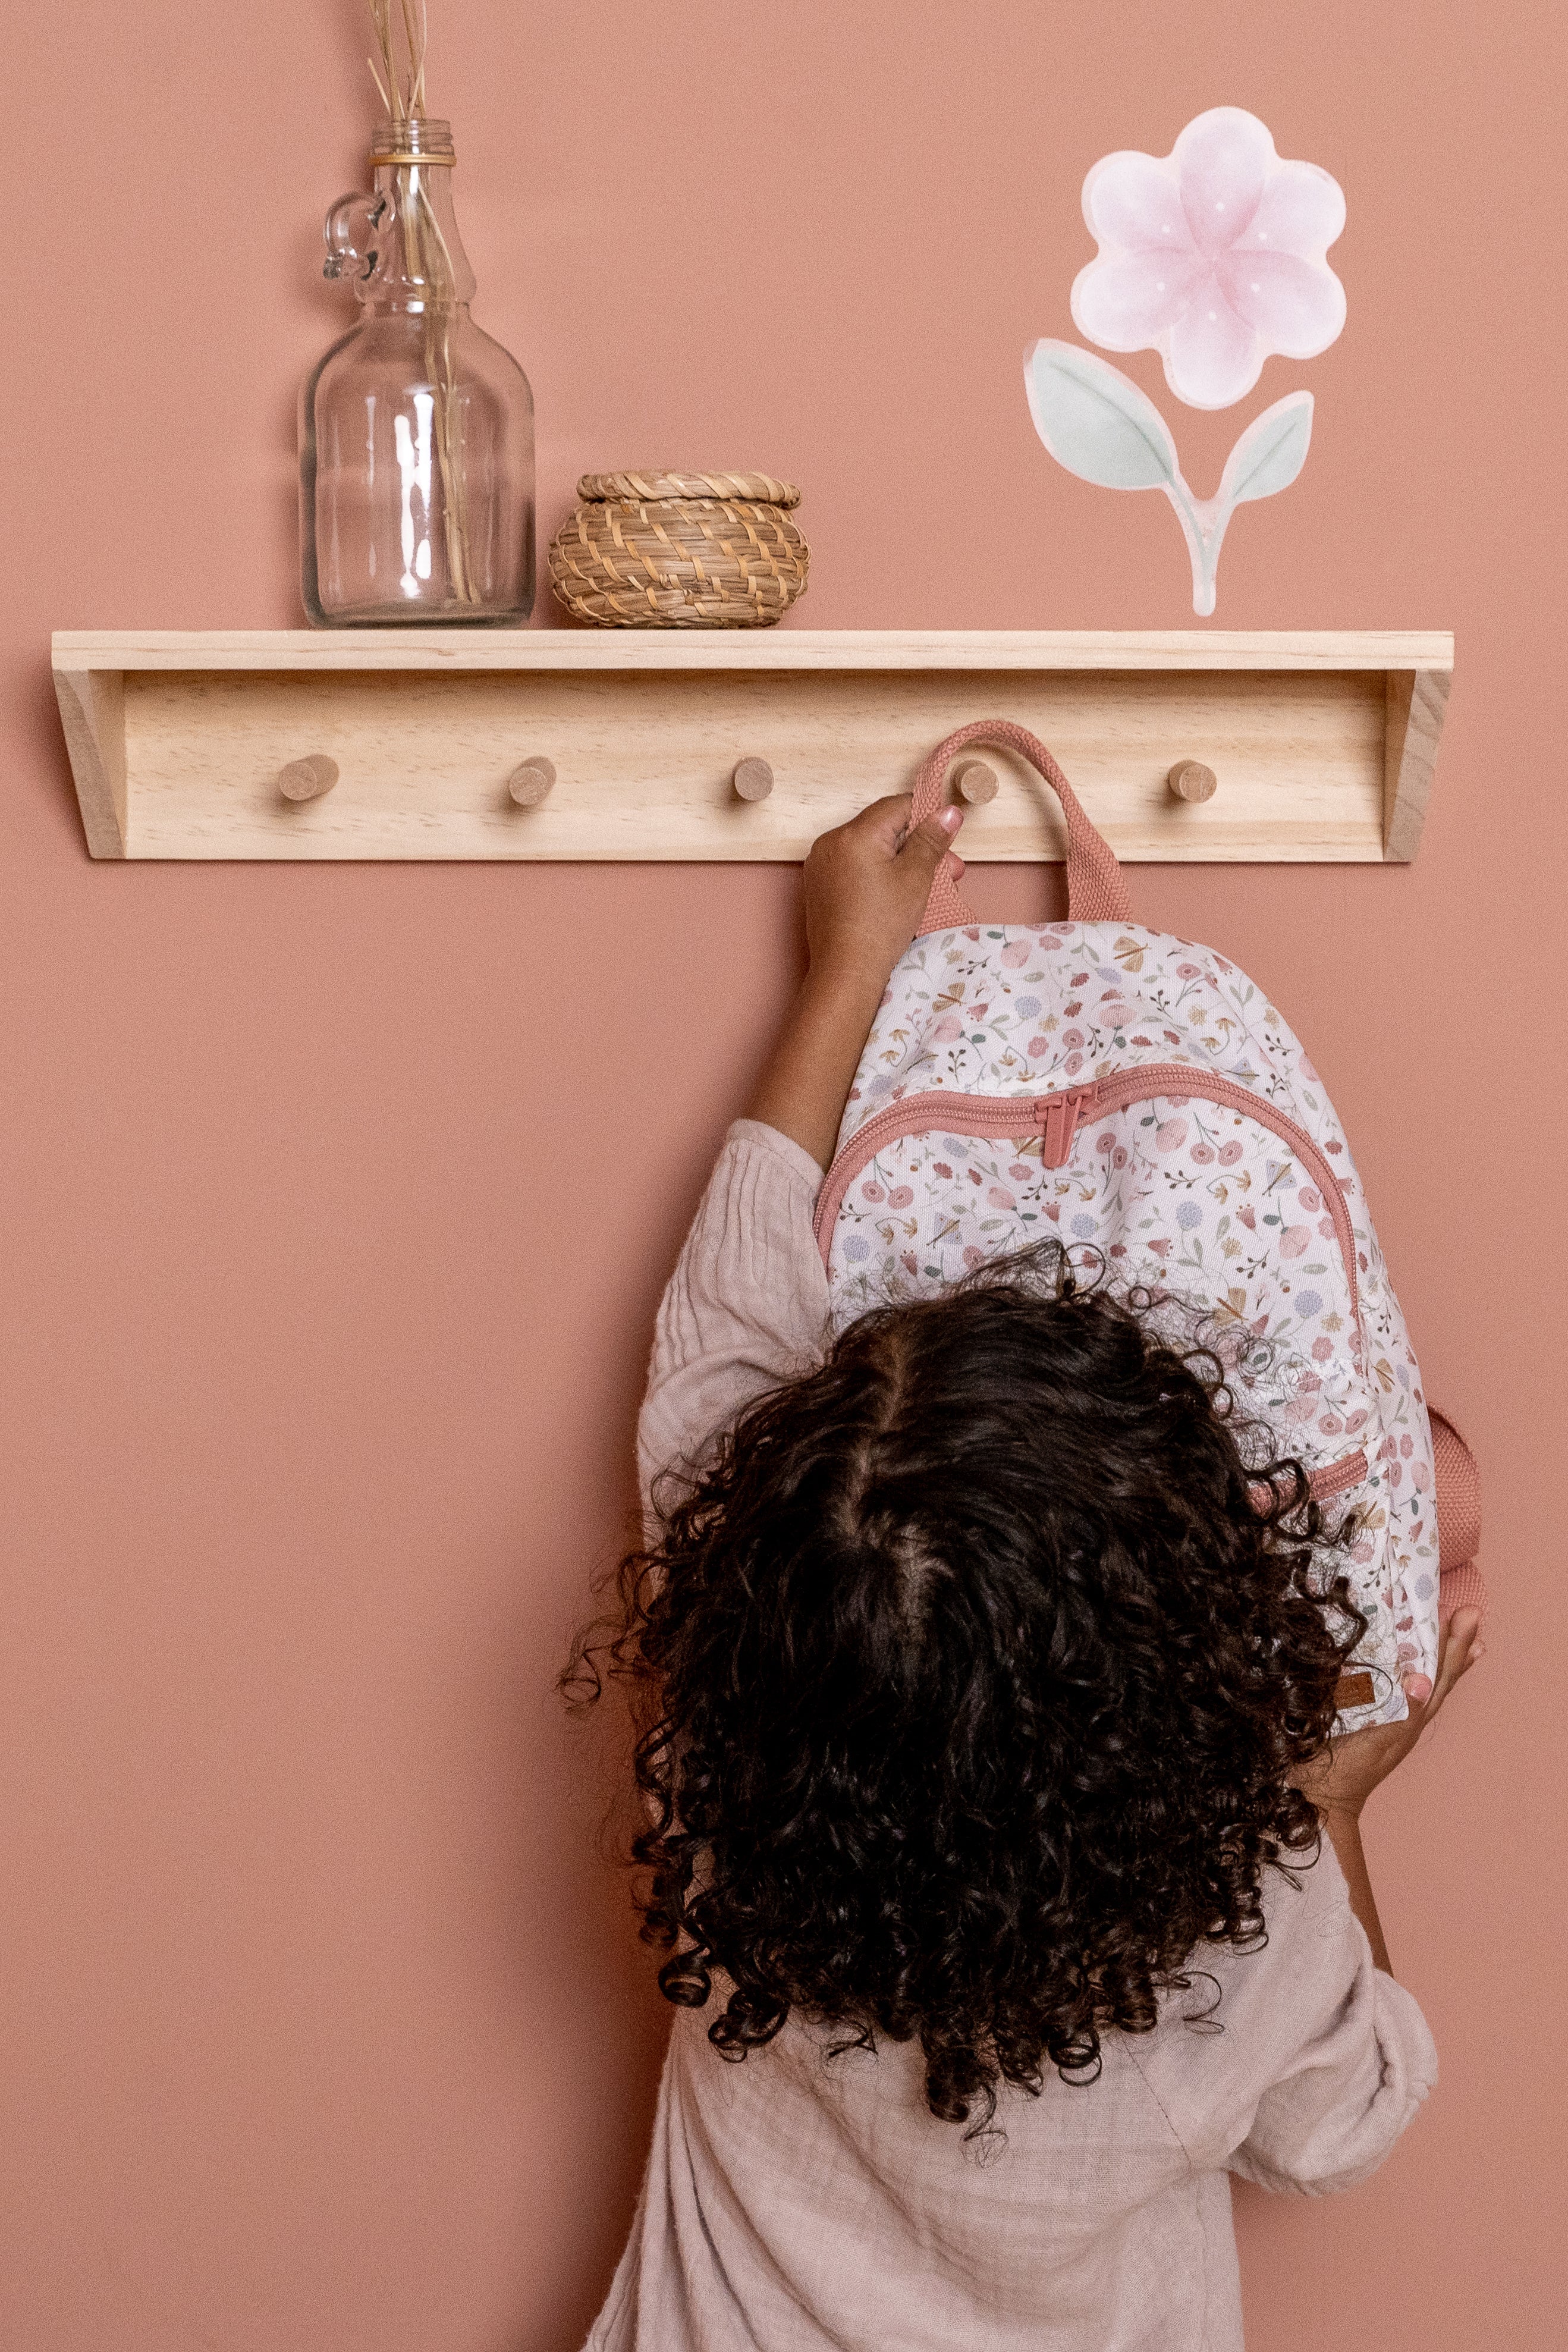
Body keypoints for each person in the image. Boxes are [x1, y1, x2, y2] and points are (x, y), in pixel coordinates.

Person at [566, 795, 1483, 2352]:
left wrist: (843, 969)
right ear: (1182, 1637)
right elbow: (1347, 2120)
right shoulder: (1242, 1919)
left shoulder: (732, 1740)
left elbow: (725, 1321)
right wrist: (1329, 1810)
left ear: (763, 1566)